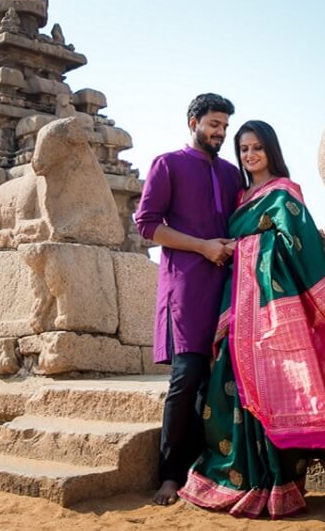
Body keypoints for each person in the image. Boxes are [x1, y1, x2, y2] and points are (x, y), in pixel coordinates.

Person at [177, 120, 325, 519]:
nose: (250, 156)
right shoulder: (239, 196)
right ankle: (242, 478)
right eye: (244, 149)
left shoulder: (284, 194)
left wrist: (254, 248)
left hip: (272, 310)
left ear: (271, 150)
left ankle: (278, 483)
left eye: (257, 148)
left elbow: (299, 244)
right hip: (236, 311)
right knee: (228, 387)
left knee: (277, 388)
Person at [134, 93, 242, 506]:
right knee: (186, 380)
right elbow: (147, 226)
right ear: (193, 122)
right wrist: (202, 247)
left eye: (224, 127)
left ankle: (209, 469)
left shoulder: (232, 174)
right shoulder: (168, 164)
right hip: (186, 291)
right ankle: (169, 475)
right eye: (213, 124)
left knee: (217, 384)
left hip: (228, 291)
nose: (219, 133)